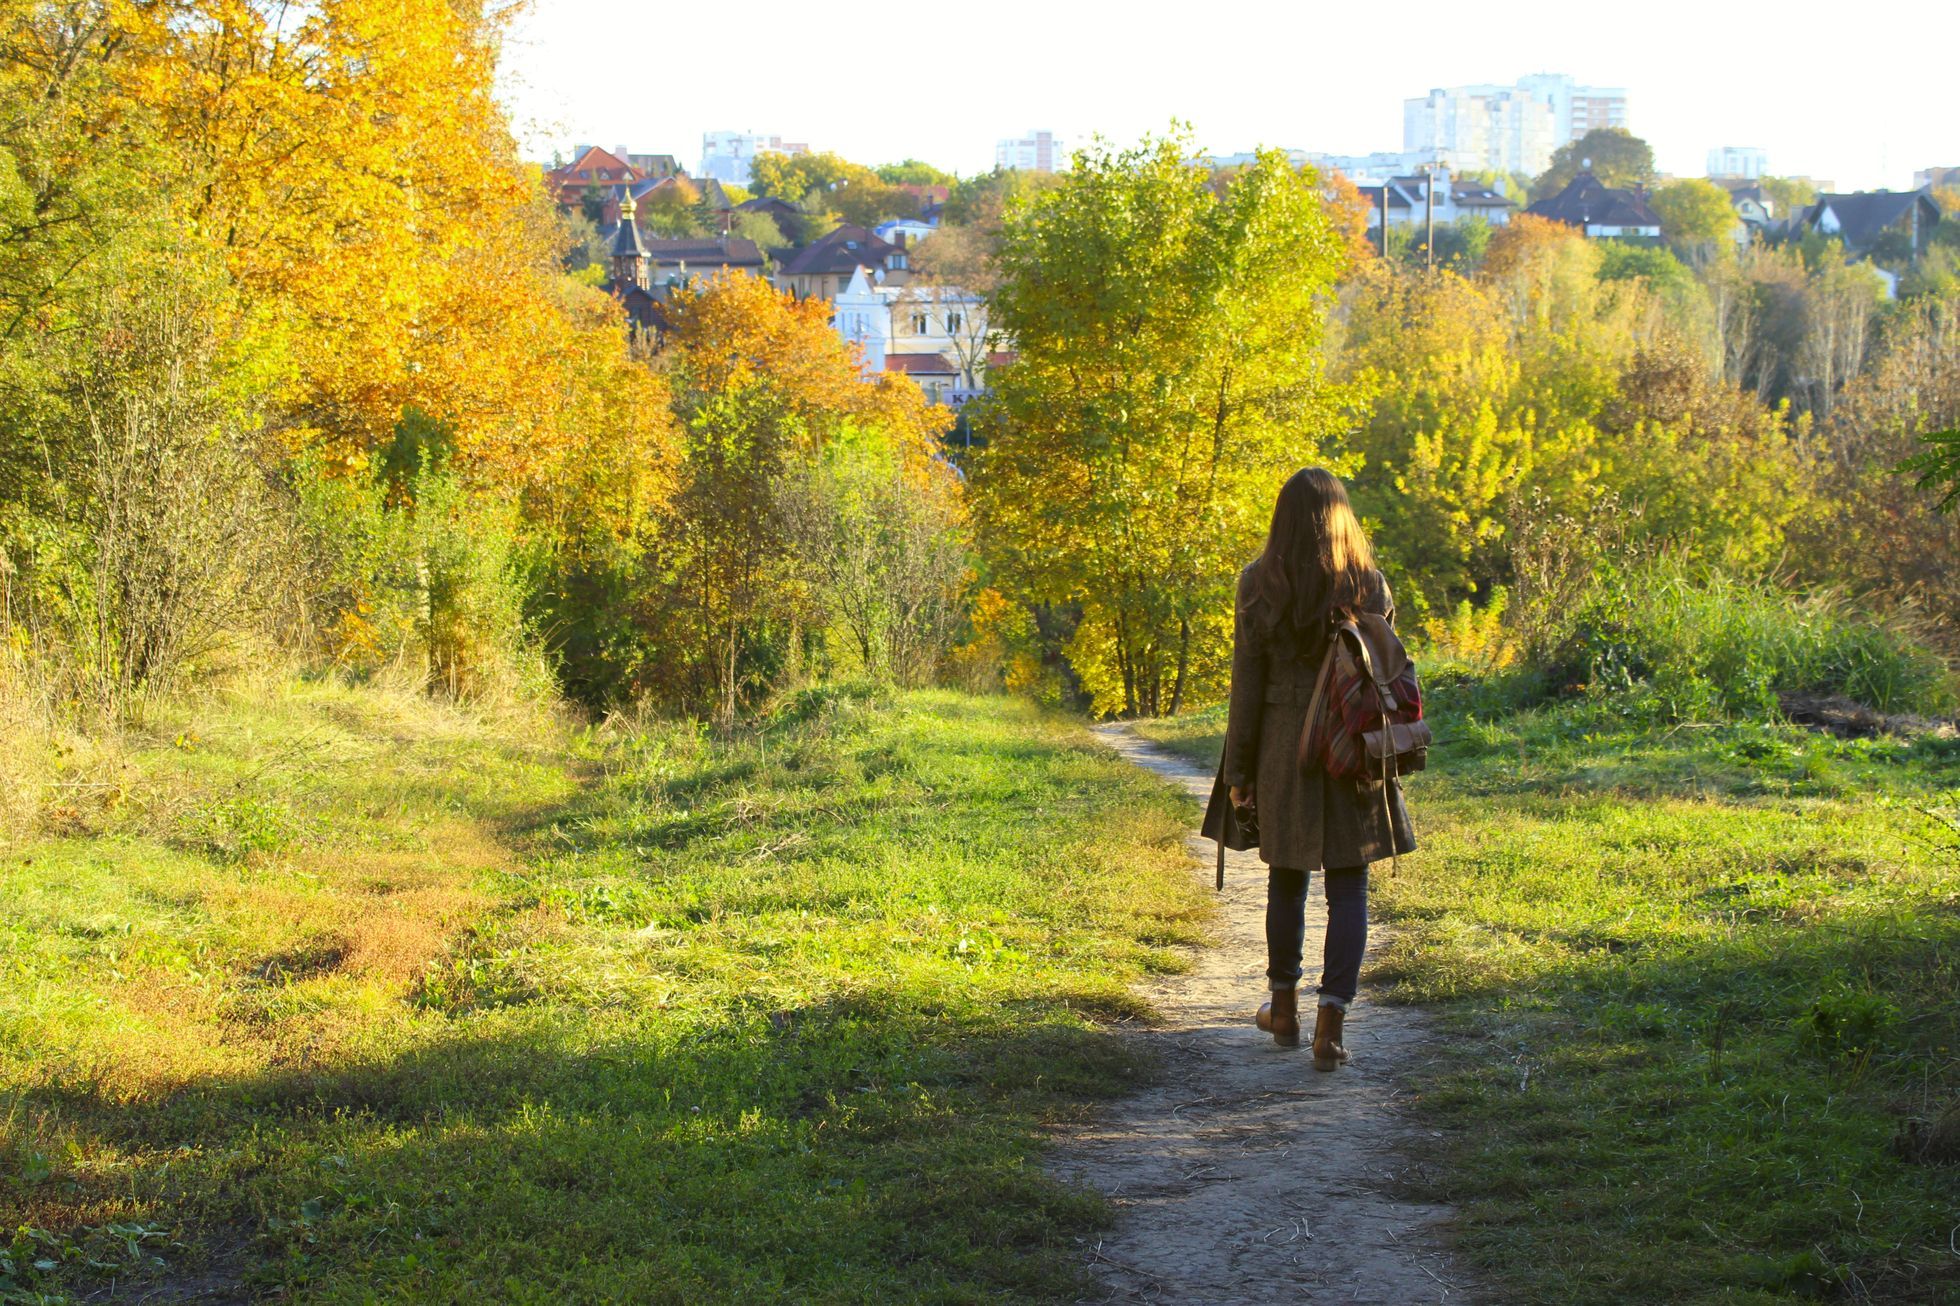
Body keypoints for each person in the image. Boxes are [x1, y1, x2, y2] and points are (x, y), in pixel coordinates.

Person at [1201, 467, 1415, 1071]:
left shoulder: (1257, 584)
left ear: (1283, 518)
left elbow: (1247, 686)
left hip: (1281, 746)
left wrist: (1239, 771)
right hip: (1351, 747)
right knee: (1349, 885)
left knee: (1286, 876)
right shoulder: (1369, 586)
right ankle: (1331, 1026)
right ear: (1341, 515)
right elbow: (1384, 672)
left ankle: (1284, 1007)